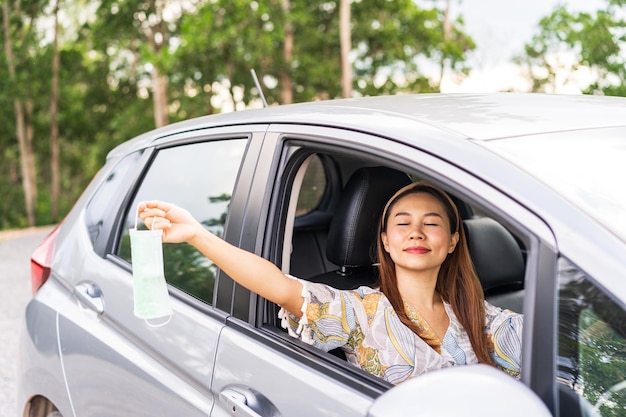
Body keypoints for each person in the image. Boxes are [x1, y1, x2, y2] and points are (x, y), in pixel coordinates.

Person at [138, 181, 522, 385]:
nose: (416, 233)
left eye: (432, 223)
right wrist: (198, 235)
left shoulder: (481, 317)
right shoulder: (360, 311)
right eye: (402, 223)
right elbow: (280, 286)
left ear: (453, 240)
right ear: (386, 242)